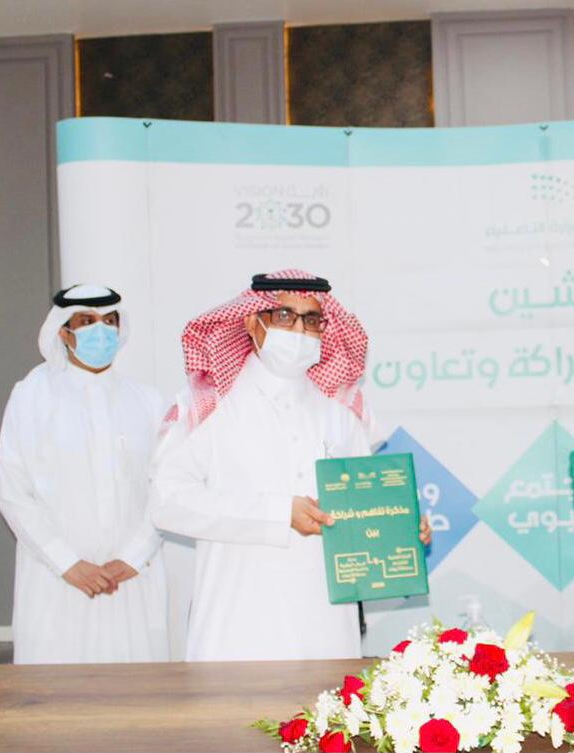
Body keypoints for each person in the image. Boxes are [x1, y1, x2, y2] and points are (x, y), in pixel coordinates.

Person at [151, 270, 430, 661]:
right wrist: (278, 513)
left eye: (311, 320)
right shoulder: (208, 406)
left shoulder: (342, 414)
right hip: (237, 627)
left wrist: (400, 529)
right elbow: (166, 503)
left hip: (328, 628)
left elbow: (363, 513)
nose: (299, 330)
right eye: (285, 316)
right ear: (253, 321)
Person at [0, 284, 168, 663]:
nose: (100, 330)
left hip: (130, 581)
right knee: (55, 690)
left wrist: (132, 557)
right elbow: (13, 492)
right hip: (55, 581)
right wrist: (67, 564)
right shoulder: (31, 396)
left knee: (136, 687)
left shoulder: (147, 400)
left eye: (109, 321)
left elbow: (165, 489)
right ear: (63, 331)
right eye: (86, 321)